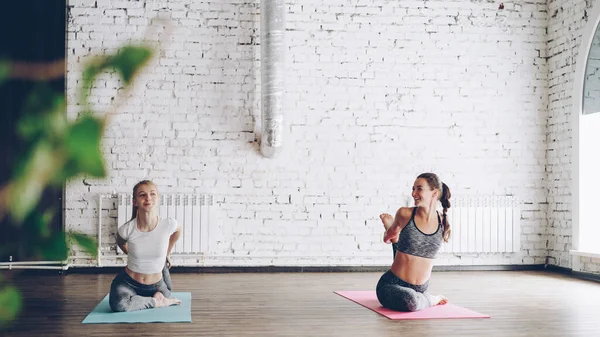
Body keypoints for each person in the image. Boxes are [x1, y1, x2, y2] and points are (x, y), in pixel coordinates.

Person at [376, 172, 451, 312]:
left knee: (412, 297)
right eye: (413, 189)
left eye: (419, 188)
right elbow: (386, 239)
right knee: (410, 301)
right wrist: (389, 234)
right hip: (392, 284)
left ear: (434, 193)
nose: (413, 193)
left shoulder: (443, 220)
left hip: (421, 288)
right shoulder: (405, 214)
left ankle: (396, 238)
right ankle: (431, 299)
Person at [109, 180, 183, 312]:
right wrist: (130, 253)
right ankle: (156, 301)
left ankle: (152, 298)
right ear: (135, 202)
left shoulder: (168, 224)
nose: (148, 198)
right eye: (142, 195)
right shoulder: (127, 229)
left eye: (152, 194)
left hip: (158, 285)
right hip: (128, 283)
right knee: (119, 305)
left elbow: (178, 230)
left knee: (167, 291)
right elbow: (120, 241)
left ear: (158, 198)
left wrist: (168, 252)